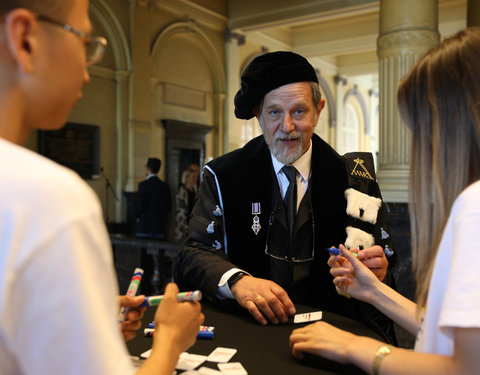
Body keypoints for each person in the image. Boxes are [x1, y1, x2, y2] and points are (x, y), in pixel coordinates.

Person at [0, 1, 203, 374]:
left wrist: (87, 317)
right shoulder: (51, 199)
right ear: (25, 39)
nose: (88, 71)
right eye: (85, 41)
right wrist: (171, 340)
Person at [289, 28, 480, 375]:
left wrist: (354, 346)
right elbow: (452, 329)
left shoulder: (475, 206)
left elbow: (466, 367)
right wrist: (376, 292)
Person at [174, 51, 397, 343]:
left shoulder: (356, 180)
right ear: (258, 114)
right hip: (248, 333)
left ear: (318, 110)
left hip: (333, 336)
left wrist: (380, 272)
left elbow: (388, 270)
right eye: (275, 112)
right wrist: (237, 282)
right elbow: (193, 253)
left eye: (299, 112)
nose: (287, 126)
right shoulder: (224, 175)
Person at [136, 157, 172, 238]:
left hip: (145, 226)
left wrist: (137, 216)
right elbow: (168, 207)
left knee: (142, 250)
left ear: (147, 168)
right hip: (159, 227)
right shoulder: (165, 186)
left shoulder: (143, 185)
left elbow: (141, 205)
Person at [175, 165, 200, 241]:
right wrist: (186, 230)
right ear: (187, 178)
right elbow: (181, 213)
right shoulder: (182, 192)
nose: (195, 179)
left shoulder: (195, 190)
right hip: (184, 228)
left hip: (193, 227)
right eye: (193, 177)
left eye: (196, 177)